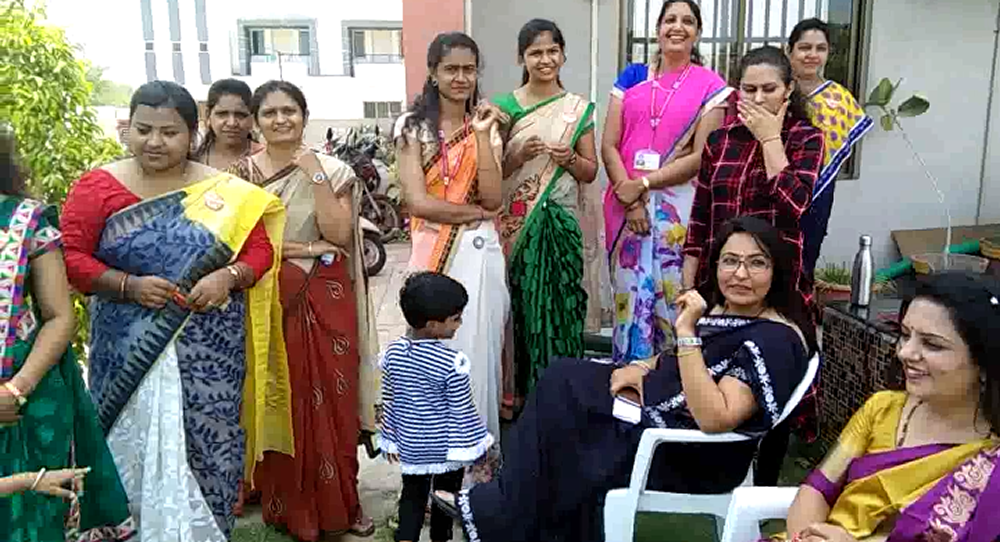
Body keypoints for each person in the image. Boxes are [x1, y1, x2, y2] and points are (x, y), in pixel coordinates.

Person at [433, 216, 816, 542]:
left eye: (756, 263)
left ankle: (501, 513)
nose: (741, 274)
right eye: (730, 261)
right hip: (658, 413)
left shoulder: (775, 341)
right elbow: (676, 360)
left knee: (561, 396)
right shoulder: (733, 311)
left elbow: (716, 417)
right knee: (561, 377)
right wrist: (642, 369)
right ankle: (512, 510)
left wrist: (686, 331)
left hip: (685, 455)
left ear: (777, 271)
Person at [60, 81, 291, 541]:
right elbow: (69, 255)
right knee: (124, 444)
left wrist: (228, 277)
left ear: (192, 133)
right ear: (128, 129)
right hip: (126, 349)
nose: (155, 142)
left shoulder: (224, 191)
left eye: (169, 132)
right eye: (143, 130)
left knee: (208, 443)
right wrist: (126, 285)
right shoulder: (98, 186)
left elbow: (259, 252)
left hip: (209, 351)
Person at [228, 80, 379, 540]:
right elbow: (238, 242)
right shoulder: (241, 174)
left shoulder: (333, 170)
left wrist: (313, 172)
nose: (280, 119)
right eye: (269, 112)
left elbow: (338, 235)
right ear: (256, 121)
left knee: (334, 398)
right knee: (279, 396)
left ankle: (343, 504)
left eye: (289, 110)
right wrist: (304, 248)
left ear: (304, 116)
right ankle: (284, 503)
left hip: (325, 297)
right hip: (265, 297)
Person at [774, 272, 1000, 542]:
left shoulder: (992, 464)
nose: (905, 352)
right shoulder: (883, 409)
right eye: (905, 335)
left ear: (984, 363)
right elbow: (817, 489)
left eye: (932, 344)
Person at [0, 126, 134, 540]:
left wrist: (15, 391)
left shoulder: (27, 221)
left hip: (25, 394)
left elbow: (59, 316)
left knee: (33, 517)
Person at [393, 32, 508, 451]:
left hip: (481, 255)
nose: (461, 78)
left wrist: (481, 135)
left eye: (469, 69)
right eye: (451, 69)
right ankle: (429, 455)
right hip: (433, 253)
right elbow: (417, 202)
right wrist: (473, 214)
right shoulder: (411, 127)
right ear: (433, 73)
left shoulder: (486, 125)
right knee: (431, 356)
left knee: (478, 355)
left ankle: (475, 461)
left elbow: (493, 199)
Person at [602, 0, 733, 362]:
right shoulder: (632, 77)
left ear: (697, 32)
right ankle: (628, 377)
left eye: (687, 21)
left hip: (676, 210)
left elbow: (701, 156)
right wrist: (631, 199)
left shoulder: (711, 86)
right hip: (626, 205)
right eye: (670, 19)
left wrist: (644, 185)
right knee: (629, 299)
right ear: (658, 28)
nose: (678, 27)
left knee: (672, 299)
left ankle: (673, 379)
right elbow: (609, 145)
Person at [491, 19, 599, 415]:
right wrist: (517, 155)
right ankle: (520, 396)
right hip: (519, 226)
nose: (545, 59)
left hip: (562, 222)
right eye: (535, 52)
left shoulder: (577, 109)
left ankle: (562, 393)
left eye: (552, 51)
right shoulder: (504, 108)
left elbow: (590, 170)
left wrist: (569, 159)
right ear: (521, 58)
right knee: (522, 306)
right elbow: (492, 173)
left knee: (563, 304)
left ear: (563, 55)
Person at [682, 45, 823, 309]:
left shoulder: (806, 137)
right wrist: (688, 285)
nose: (758, 99)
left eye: (769, 89)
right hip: (720, 283)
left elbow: (795, 205)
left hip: (776, 285)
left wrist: (770, 139)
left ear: (788, 89)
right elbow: (700, 218)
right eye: (749, 89)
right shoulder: (720, 140)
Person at [380, 272, 494, 542]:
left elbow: (390, 400)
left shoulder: (392, 354)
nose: (459, 324)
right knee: (444, 498)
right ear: (432, 325)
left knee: (412, 498)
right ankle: (440, 538)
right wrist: (479, 446)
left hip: (412, 445)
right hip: (446, 447)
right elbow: (463, 410)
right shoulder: (452, 362)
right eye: (455, 319)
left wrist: (389, 438)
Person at [786, 18, 873, 280]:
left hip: (818, 191)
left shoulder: (838, 97)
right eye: (804, 47)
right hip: (776, 184)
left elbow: (837, 146)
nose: (812, 55)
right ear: (789, 50)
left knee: (806, 258)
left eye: (820, 48)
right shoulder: (775, 90)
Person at [192, 78, 264, 170]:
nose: (232, 123)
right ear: (207, 115)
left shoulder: (267, 158)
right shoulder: (194, 161)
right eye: (222, 114)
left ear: (251, 118)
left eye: (240, 115)